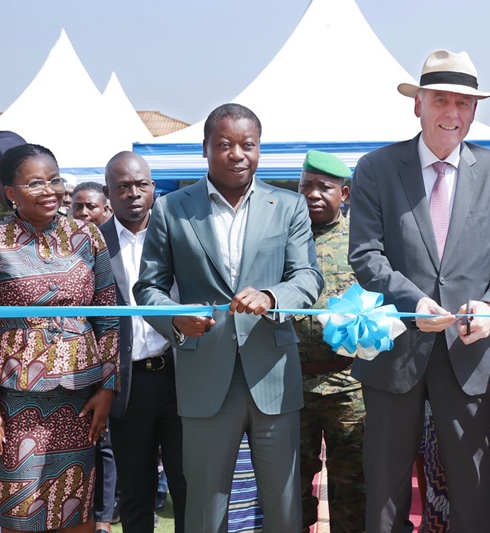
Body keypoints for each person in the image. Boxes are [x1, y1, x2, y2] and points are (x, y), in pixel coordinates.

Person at [348, 49, 490, 533]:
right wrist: (412, 302)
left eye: (464, 103)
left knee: (472, 490)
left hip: (468, 355)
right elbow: (365, 254)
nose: (452, 113)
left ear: (474, 110)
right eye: (441, 100)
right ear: (417, 104)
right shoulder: (376, 168)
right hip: (393, 354)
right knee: (384, 492)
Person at [133, 103, 323, 533]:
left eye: (248, 145)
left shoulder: (289, 206)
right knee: (204, 504)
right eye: (225, 144)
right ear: (205, 149)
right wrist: (176, 321)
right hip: (204, 375)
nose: (237, 153)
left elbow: (308, 278)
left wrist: (273, 296)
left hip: (272, 376)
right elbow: (148, 289)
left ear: (259, 150)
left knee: (284, 502)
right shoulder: (171, 209)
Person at [0, 143, 120, 533]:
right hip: (16, 403)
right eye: (35, 183)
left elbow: (109, 316)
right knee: (20, 514)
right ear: (10, 192)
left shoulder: (88, 237)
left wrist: (108, 387)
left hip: (80, 400)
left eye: (55, 180)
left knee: (75, 511)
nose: (50, 190)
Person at [101, 151, 186, 532]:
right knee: (135, 489)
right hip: (128, 385)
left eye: (141, 185)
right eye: (123, 187)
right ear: (109, 193)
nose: (133, 193)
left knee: (187, 485)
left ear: (153, 187)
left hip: (181, 376)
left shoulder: (180, 233)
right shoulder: (93, 243)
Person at [295, 150, 365, 532]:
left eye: (325, 187)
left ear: (345, 193)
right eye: (306, 186)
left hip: (347, 385)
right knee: (291, 485)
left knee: (352, 486)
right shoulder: (282, 238)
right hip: (291, 383)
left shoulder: (362, 241)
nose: (314, 195)